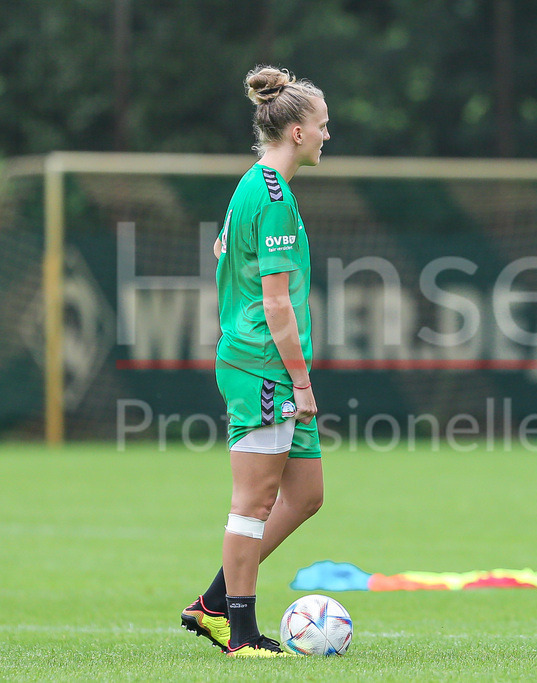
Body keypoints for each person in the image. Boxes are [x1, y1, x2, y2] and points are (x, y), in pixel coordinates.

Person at [180, 65, 330, 657]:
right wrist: (302, 381)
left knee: (308, 494)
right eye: (321, 126)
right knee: (254, 504)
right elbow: (275, 305)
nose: (326, 135)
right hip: (262, 365)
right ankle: (239, 631)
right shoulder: (270, 196)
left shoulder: (258, 187)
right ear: (295, 132)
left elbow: (225, 255)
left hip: (262, 363)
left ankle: (215, 601)